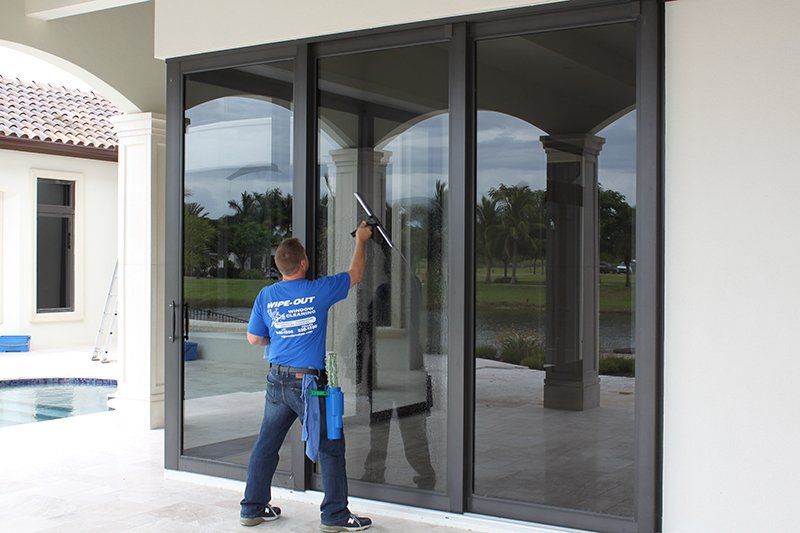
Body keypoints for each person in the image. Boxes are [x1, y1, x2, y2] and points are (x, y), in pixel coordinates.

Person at [240, 222, 373, 532]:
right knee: (330, 444)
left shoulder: (267, 295)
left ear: (280, 267)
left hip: (276, 381)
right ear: (303, 263)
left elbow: (253, 339)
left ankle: (252, 508)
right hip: (309, 386)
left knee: (266, 444)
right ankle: (335, 516)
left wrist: (280, 334)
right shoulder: (317, 290)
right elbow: (355, 275)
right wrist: (362, 241)